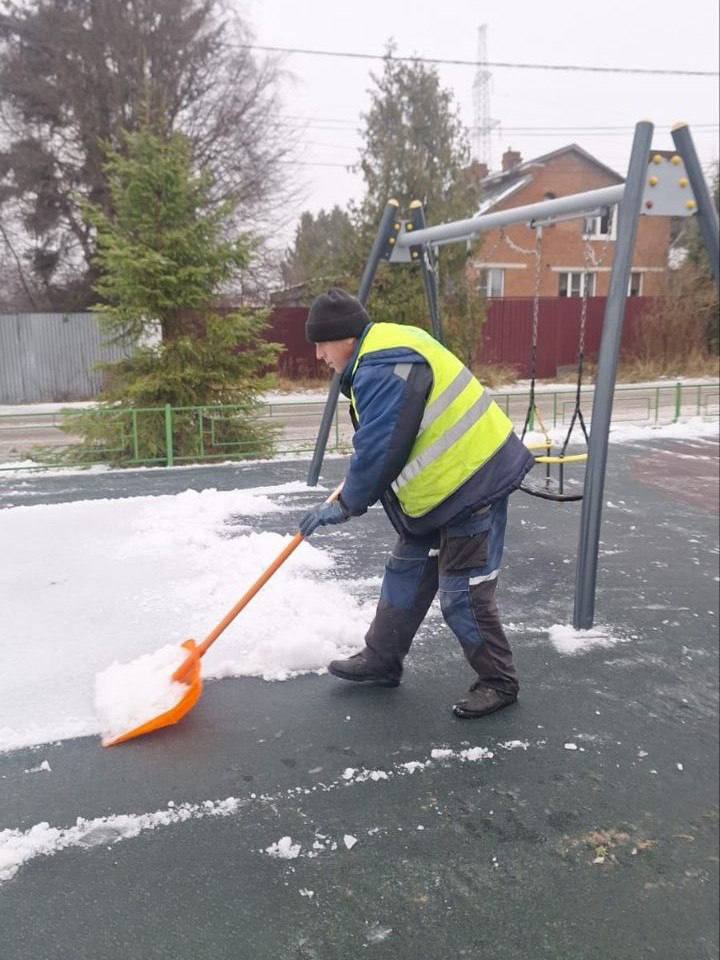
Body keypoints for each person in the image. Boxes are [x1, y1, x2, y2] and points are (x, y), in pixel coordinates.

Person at [299, 288, 534, 718]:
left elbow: (382, 446)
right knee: (405, 572)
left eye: (322, 343)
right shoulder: (385, 346)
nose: (319, 355)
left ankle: (499, 681)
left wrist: (349, 501)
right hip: (436, 495)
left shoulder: (383, 366)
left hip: (471, 486)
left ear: (345, 337)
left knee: (462, 592)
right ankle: (381, 660)